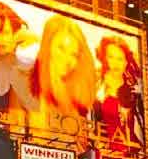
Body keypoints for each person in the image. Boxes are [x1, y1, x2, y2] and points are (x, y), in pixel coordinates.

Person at [29, 15, 97, 150]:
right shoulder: (24, 85)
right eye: (61, 48)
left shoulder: (77, 102)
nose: (67, 60)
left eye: (74, 54)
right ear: (48, 45)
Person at [94, 36, 145, 152]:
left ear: (126, 62)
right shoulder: (95, 86)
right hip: (102, 152)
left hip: (131, 152)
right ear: (104, 58)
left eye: (120, 58)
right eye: (111, 57)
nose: (115, 63)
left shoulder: (135, 90)